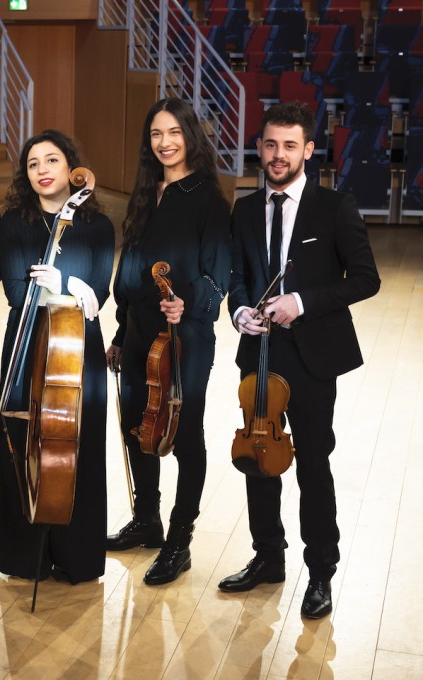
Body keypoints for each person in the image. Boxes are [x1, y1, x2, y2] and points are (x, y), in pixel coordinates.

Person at [219, 101, 379, 618]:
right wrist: (241, 308)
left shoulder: (335, 207)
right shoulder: (244, 208)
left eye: (290, 145)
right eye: (270, 144)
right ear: (259, 148)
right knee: (258, 457)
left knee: (312, 463)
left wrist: (301, 303)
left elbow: (365, 279)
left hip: (311, 354)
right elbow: (238, 275)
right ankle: (268, 556)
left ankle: (321, 573)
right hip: (258, 351)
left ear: (308, 150)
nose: (278, 154)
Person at [105, 97, 231, 586]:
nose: (165, 142)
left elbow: (218, 273)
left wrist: (191, 303)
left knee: (184, 432)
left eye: (174, 132)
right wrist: (119, 332)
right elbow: (132, 270)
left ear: (190, 137)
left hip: (186, 335)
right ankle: (148, 519)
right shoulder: (145, 193)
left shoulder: (208, 199)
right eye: (156, 134)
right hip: (138, 329)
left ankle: (180, 539)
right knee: (139, 425)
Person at [0, 130, 114, 583]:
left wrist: (64, 287)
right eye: (33, 164)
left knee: (79, 446)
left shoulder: (97, 226)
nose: (43, 170)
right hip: (28, 342)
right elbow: (13, 289)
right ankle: (27, 557)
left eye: (52, 160)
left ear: (71, 168)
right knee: (23, 442)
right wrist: (39, 291)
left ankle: (78, 555)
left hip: (78, 348)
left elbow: (98, 291)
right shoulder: (14, 224)